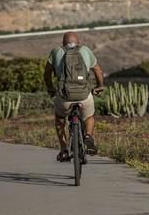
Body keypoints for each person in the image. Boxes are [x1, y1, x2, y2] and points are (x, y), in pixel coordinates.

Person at [44, 32, 105, 162]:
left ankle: (64, 149)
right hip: (84, 95)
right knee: (88, 116)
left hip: (64, 97)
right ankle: (88, 136)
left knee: (60, 119)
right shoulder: (85, 50)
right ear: (78, 43)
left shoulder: (56, 51)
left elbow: (47, 73)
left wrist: (50, 88)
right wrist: (100, 86)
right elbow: (98, 71)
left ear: (63, 43)